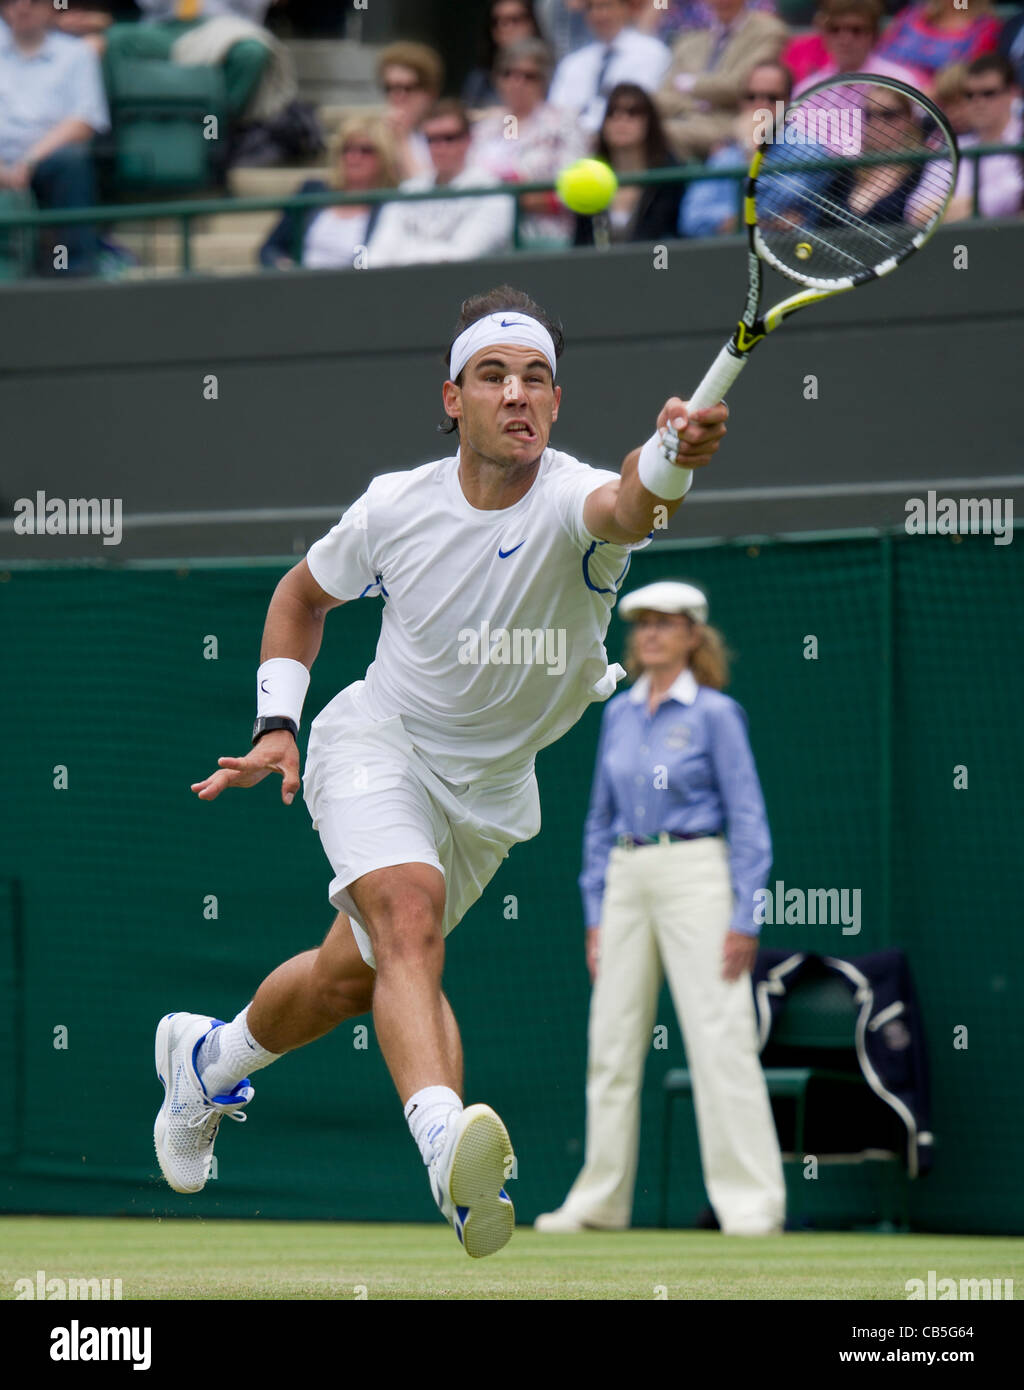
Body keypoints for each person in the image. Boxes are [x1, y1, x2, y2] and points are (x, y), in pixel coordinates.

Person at [156, 286, 730, 1261]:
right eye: (492, 376)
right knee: (408, 918)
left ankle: (207, 1059)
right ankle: (442, 1149)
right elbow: (302, 596)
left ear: (555, 404)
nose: (516, 394)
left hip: (492, 793)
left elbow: (633, 500)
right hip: (378, 741)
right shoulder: (395, 505)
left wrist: (670, 452)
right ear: (451, 398)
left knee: (353, 976)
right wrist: (278, 723)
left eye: (536, 378)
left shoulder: (572, 505)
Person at [535, 580, 785, 1236]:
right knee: (611, 1044)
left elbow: (750, 822)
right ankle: (600, 1201)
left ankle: (751, 1203)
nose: (650, 634)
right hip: (625, 876)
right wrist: (595, 911)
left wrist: (745, 916)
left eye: (666, 624)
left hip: (698, 872)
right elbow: (597, 820)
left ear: (692, 636)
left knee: (719, 1037)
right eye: (643, 623)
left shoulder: (716, 714)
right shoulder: (618, 713)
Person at [0, 0, 110, 277]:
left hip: (47, 159)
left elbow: (83, 121)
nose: (22, 8)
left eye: (33, 2)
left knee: (72, 163)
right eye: (12, 1)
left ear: (51, 7)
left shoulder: (77, 53)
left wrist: (29, 160)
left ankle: (76, 273)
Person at [367, 100, 516, 267]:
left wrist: (404, 256)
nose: (440, 147)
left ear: (468, 139)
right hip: (403, 286)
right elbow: (377, 255)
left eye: (449, 138)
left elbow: (462, 258)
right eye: (432, 139)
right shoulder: (409, 189)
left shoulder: (493, 191)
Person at [471, 37, 587, 248]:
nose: (517, 83)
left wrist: (505, 194)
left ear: (543, 81)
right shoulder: (484, 128)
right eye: (508, 74)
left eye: (528, 76)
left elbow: (569, 192)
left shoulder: (564, 123)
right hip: (483, 238)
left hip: (543, 237)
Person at [258, 114, 399, 271]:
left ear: (384, 156)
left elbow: (371, 265)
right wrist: (283, 265)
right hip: (300, 287)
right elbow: (269, 249)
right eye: (347, 149)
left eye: (365, 150)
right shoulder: (312, 192)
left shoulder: (391, 208)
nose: (354, 157)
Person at [655, 0, 788, 162]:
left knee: (656, 133)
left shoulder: (768, 31)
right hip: (684, 119)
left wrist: (691, 84)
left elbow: (739, 85)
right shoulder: (689, 40)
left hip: (733, 124)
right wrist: (696, 103)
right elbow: (662, 96)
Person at [678, 60, 794, 238]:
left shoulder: (807, 150)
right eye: (751, 97)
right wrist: (760, 222)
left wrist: (751, 151)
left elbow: (772, 204)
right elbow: (691, 220)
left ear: (788, 102)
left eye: (772, 98)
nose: (760, 106)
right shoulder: (725, 155)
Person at [572, 83, 686, 245]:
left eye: (632, 112)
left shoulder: (669, 175)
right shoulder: (588, 177)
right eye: (612, 112)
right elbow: (581, 243)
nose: (621, 119)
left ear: (649, 122)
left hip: (657, 266)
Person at [548, 0, 672, 132]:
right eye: (591, 8)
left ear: (625, 9)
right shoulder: (573, 63)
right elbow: (555, 112)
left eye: (605, 6)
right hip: (573, 141)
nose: (598, 15)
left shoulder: (652, 53)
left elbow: (638, 107)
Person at [944, 54, 1023, 222]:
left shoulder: (1020, 139)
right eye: (969, 95)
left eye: (988, 93)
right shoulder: (954, 143)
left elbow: (1014, 196)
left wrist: (951, 209)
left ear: (1013, 94)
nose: (978, 102)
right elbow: (917, 211)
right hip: (957, 245)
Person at [793, 0, 920, 97]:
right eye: (835, 29)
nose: (845, 40)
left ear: (874, 35)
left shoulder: (901, 82)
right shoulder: (807, 89)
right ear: (824, 34)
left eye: (856, 30)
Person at [876, 0, 1001, 92]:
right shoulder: (911, 13)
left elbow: (968, 79)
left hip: (924, 107)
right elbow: (878, 52)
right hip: (874, 90)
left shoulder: (985, 28)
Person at [376, 40, 444, 180]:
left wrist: (402, 140)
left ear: (430, 92)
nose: (397, 96)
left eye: (407, 88)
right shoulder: (375, 134)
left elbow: (425, 188)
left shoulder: (446, 136)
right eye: (390, 88)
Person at [463, 0, 545, 110]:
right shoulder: (480, 80)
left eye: (514, 19)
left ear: (532, 23)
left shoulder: (555, 69)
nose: (504, 27)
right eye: (496, 22)